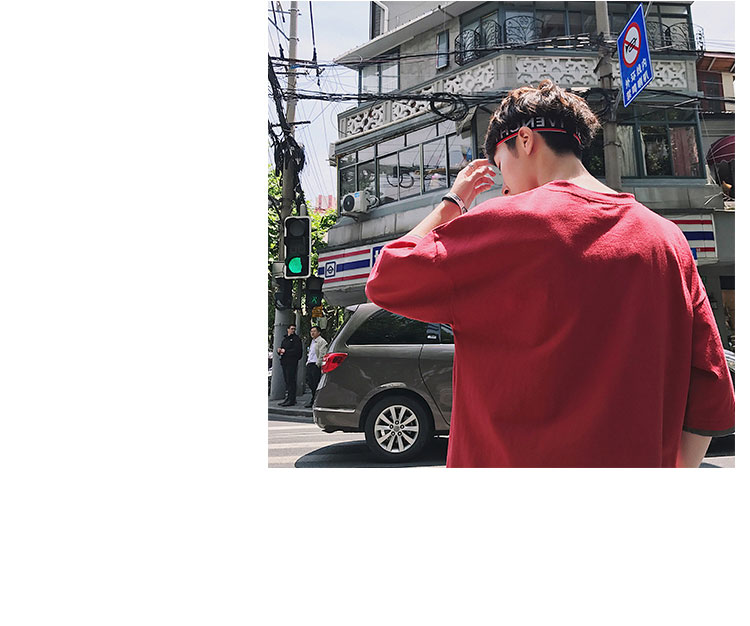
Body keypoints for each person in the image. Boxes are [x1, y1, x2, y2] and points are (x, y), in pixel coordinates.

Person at [365, 80, 734, 468]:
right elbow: (710, 387)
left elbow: (387, 277)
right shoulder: (668, 240)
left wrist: (454, 201)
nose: (504, 189)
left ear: (525, 140)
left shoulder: (501, 225)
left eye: (501, 167)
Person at [277, 323, 303, 406]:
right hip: (285, 362)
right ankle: (288, 398)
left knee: (291, 380)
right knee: (287, 381)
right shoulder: (285, 339)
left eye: (294, 329)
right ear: (288, 329)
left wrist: (286, 352)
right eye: (291, 329)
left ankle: (292, 399)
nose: (293, 330)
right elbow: (283, 349)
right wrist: (280, 351)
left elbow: (297, 351)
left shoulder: (296, 339)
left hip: (292, 362)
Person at [304, 325, 328, 408]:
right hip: (310, 363)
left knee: (315, 383)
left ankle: (315, 400)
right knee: (310, 382)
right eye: (311, 331)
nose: (312, 333)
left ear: (319, 332)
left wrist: (318, 363)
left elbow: (322, 353)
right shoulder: (312, 341)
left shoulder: (321, 341)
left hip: (315, 364)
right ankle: (314, 398)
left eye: (314, 331)